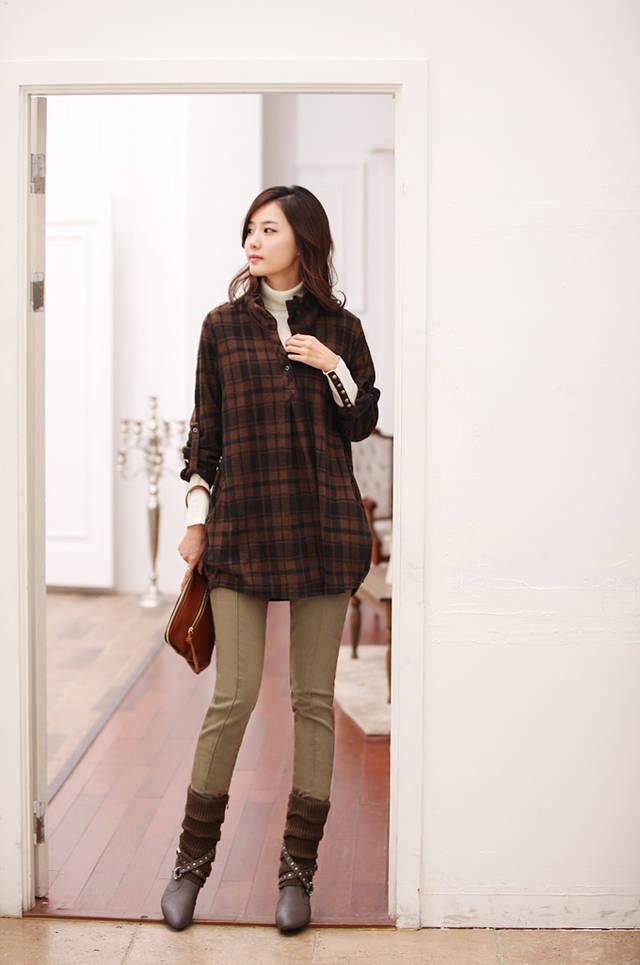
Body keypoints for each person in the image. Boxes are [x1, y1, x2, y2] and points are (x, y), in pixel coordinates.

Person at [161, 184, 380, 934]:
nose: (253, 242)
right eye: (249, 230)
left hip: (322, 530)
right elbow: (205, 435)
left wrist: (331, 364)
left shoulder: (341, 329)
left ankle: (297, 874)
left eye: (268, 229)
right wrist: (196, 524)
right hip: (244, 529)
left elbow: (361, 422)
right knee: (234, 696)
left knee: (313, 701)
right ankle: (190, 865)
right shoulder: (222, 327)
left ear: (303, 240)